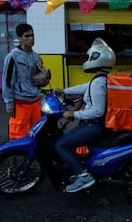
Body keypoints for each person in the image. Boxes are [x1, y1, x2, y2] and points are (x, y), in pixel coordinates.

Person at [54, 38, 116, 193]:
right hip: (96, 124)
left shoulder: (99, 82)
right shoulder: (102, 78)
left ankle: (83, 176)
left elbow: (97, 111)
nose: (88, 60)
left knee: (61, 145)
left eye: (90, 57)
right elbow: (85, 87)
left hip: (94, 125)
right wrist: (64, 91)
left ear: (97, 58)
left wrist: (73, 113)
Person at [2, 23, 48, 140]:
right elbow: (7, 81)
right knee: (17, 135)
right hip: (21, 102)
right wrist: (9, 103)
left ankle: (32, 158)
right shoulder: (13, 56)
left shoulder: (36, 57)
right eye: (27, 36)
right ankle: (15, 158)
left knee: (36, 133)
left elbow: (40, 80)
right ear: (19, 38)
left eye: (32, 35)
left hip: (35, 101)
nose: (31, 38)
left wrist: (44, 76)